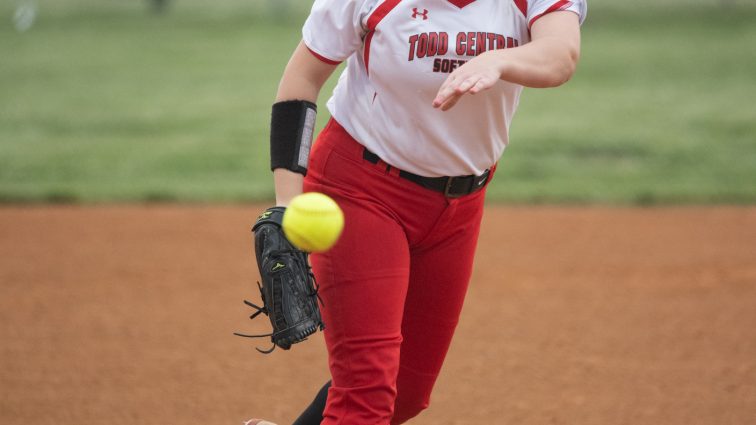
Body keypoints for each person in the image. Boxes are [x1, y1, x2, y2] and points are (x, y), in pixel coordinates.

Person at [248, 0, 587, 423]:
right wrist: (286, 203)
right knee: (367, 393)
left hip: (459, 206)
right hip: (360, 187)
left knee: (405, 395)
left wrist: (499, 60)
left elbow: (561, 55)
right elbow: (301, 80)